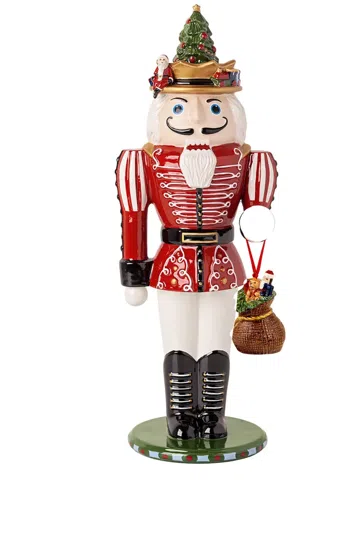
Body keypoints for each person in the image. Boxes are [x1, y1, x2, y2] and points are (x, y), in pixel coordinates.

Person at [116, 8, 278, 440]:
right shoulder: (144, 162)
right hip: (172, 262)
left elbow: (256, 209)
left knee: (216, 340)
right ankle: (179, 415)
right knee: (177, 339)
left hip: (223, 260)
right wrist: (134, 270)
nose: (196, 120)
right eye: (180, 107)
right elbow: (134, 215)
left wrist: (258, 216)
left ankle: (213, 414)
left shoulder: (247, 160)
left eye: (212, 107)